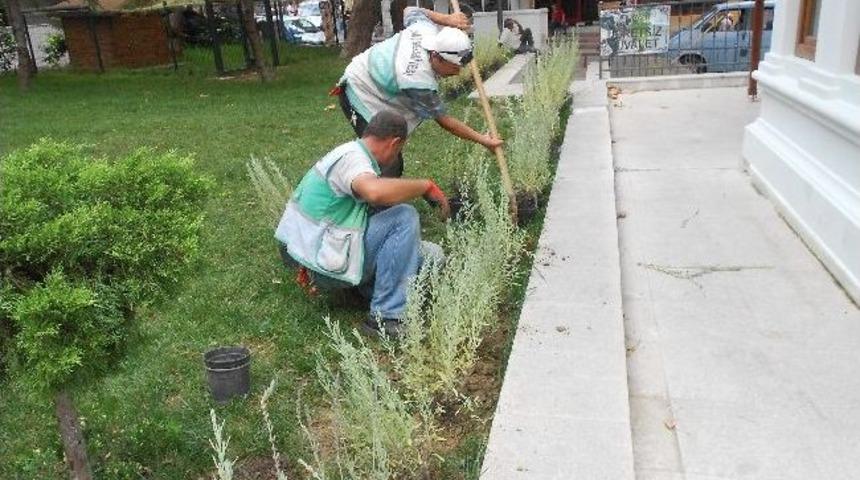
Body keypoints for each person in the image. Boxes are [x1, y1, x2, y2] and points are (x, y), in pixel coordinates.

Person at [275, 111, 447, 338]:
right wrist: (424, 187)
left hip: (319, 251)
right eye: (399, 150)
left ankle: (360, 292)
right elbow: (374, 192)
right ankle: (386, 317)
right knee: (404, 217)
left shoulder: (349, 152)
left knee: (433, 256)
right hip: (321, 263)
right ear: (395, 143)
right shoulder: (353, 159)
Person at [333, 6, 503, 179]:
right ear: (437, 57)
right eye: (454, 67)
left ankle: (374, 186)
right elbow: (445, 121)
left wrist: (447, 19)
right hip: (359, 88)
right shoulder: (418, 79)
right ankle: (357, 186)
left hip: (380, 83)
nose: (458, 73)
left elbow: (410, 11)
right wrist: (483, 140)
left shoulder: (425, 29)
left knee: (389, 155)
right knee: (385, 159)